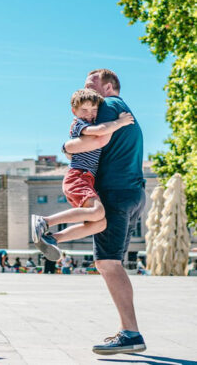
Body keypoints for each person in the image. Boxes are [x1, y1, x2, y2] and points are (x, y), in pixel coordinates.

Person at [48, 69, 146, 355]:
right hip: (132, 193)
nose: (87, 92)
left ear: (108, 86)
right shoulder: (124, 110)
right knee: (111, 261)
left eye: (91, 86)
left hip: (115, 192)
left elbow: (96, 140)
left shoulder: (109, 107)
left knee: (108, 263)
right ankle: (54, 238)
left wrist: (65, 146)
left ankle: (130, 333)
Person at [32, 88, 135, 262]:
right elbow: (101, 130)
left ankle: (53, 238)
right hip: (77, 177)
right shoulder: (79, 125)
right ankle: (44, 220)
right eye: (84, 110)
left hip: (86, 179)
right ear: (75, 111)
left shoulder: (89, 124)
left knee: (101, 223)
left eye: (94, 110)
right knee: (96, 211)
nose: (89, 114)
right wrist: (120, 122)